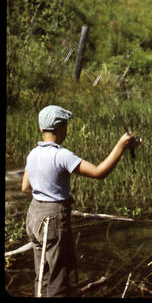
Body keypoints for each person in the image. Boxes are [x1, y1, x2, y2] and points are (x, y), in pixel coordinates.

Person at [22, 105, 134, 297]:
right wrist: (121, 146)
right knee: (59, 279)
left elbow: (25, 188)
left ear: (41, 128)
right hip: (52, 221)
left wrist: (44, 198)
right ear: (62, 128)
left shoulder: (33, 154)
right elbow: (99, 172)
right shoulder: (61, 155)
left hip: (33, 217)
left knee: (43, 273)